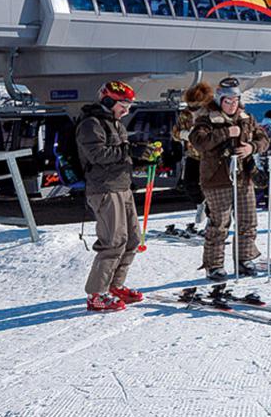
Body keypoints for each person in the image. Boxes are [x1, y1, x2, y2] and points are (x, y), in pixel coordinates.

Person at [76, 81, 162, 311]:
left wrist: (143, 155)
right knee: (113, 242)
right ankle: (96, 294)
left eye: (129, 106)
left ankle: (114, 286)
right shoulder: (91, 124)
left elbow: (120, 155)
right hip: (104, 189)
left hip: (122, 186)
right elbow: (97, 154)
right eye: (123, 105)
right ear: (107, 101)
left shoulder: (116, 124)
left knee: (132, 239)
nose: (126, 110)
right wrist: (129, 151)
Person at [189, 77, 270, 280]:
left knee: (248, 221)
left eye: (235, 100)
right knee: (219, 224)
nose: (232, 105)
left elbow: (263, 139)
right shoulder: (206, 118)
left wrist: (252, 147)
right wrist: (226, 133)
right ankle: (214, 265)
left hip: (243, 177)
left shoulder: (246, 118)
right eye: (228, 100)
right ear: (220, 100)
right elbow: (198, 142)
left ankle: (245, 259)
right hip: (217, 178)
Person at [172, 81, 214, 233]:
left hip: (209, 156)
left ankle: (211, 218)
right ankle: (199, 203)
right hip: (193, 154)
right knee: (190, 184)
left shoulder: (211, 113)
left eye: (195, 105)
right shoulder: (185, 114)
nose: (192, 107)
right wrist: (184, 134)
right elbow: (175, 132)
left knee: (210, 188)